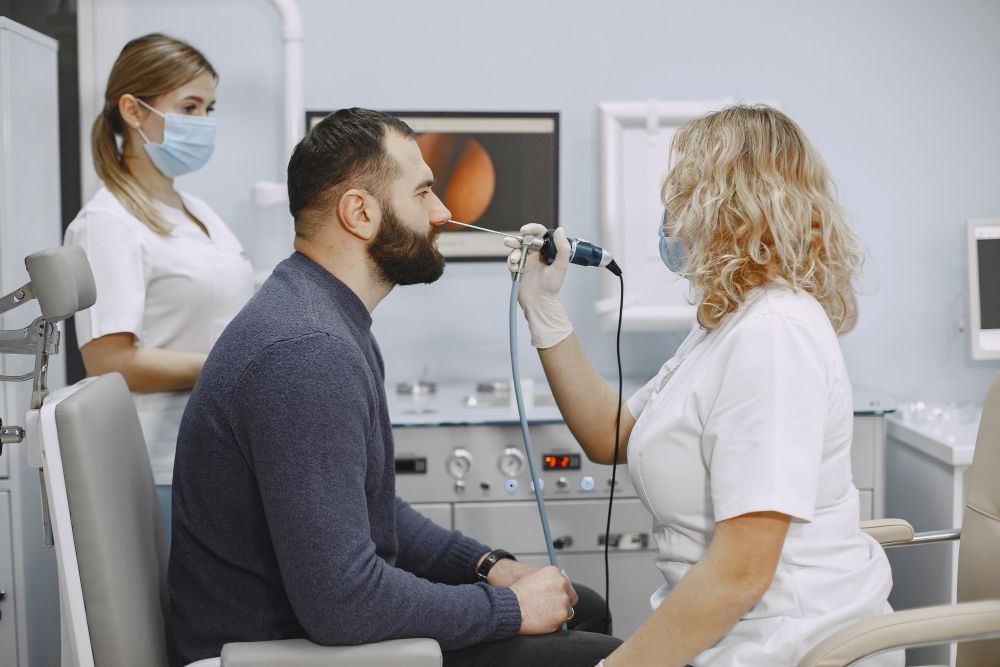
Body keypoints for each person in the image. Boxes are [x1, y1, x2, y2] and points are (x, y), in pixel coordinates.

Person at [168, 107, 621, 667]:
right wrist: (507, 608)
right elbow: (344, 604)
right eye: (424, 192)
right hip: (273, 652)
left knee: (585, 608)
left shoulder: (326, 317)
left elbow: (371, 509)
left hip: (311, 629)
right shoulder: (307, 352)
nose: (444, 211)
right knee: (611, 654)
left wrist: (488, 566)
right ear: (359, 212)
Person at [507, 105, 902, 666]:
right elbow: (613, 436)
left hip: (788, 648)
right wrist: (545, 311)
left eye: (681, 194)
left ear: (727, 207)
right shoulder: (729, 323)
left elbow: (741, 573)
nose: (668, 215)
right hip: (726, 638)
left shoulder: (774, 335)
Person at [63, 34, 254, 533]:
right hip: (160, 461)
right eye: (189, 106)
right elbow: (111, 362)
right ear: (133, 110)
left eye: (209, 108)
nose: (203, 122)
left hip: (220, 451)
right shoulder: (107, 223)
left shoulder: (199, 213)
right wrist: (240, 366)